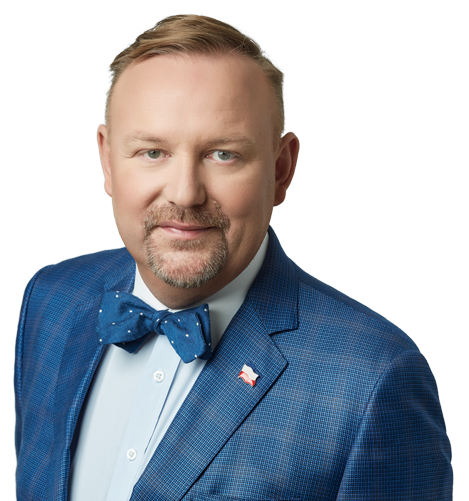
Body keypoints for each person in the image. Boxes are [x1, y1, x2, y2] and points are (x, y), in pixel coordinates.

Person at [14, 14, 452, 501]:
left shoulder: (371, 379)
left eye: (223, 154)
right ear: (107, 161)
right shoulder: (51, 302)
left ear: (281, 170)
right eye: (152, 152)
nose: (185, 193)